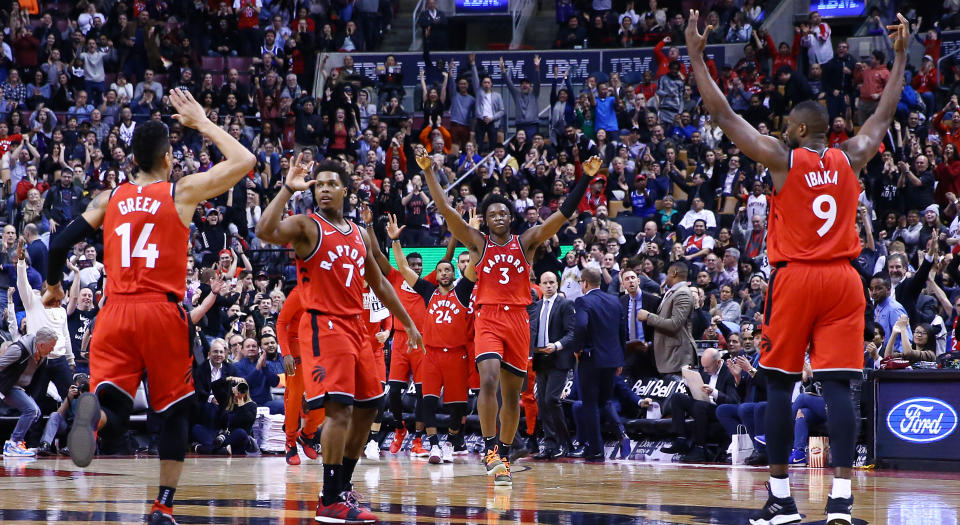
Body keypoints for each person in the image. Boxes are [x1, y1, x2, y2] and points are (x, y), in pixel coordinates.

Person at [685, 11, 909, 525]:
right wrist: (899, 57)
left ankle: (782, 499)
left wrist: (698, 58)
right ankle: (842, 503)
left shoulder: (784, 159)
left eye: (787, 125)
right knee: (838, 389)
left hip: (796, 278)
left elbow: (724, 116)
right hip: (845, 281)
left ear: (800, 129)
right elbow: (883, 115)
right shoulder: (851, 155)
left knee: (780, 386)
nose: (780, 129)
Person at [43, 89, 256, 525]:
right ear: (167, 158)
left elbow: (60, 243)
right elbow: (245, 161)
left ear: (132, 159)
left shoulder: (110, 198)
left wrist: (53, 289)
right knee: (174, 412)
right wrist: (202, 122)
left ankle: (94, 417)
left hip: (114, 312)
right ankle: (162, 506)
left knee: (115, 407)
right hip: (161, 313)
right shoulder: (180, 192)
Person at [255, 155, 423, 523]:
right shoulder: (306, 226)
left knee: (368, 406)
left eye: (332, 183)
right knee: (339, 409)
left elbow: (379, 282)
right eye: (320, 184)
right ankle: (329, 497)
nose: (325, 189)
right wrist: (286, 188)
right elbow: (264, 231)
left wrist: (408, 322)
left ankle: (340, 488)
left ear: (346, 190)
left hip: (357, 328)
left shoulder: (360, 234)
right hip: (324, 326)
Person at [418, 148, 596, 486]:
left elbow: (562, 214)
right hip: (488, 317)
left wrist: (585, 177)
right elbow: (445, 210)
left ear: (510, 218)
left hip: (518, 321)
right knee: (487, 379)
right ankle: (489, 449)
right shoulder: (476, 243)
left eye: (503, 212)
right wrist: (429, 173)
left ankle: (504, 449)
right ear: (485, 220)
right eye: (492, 213)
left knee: (512, 395)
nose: (498, 216)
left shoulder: (526, 241)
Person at [390, 220, 476, 464]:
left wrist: (469, 233)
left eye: (448, 270)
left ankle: (450, 442)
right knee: (427, 401)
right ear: (436, 275)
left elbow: (474, 263)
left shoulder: (463, 291)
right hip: (431, 355)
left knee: (457, 407)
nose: (444, 273)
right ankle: (434, 446)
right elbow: (405, 268)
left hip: (457, 355)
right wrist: (396, 241)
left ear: (453, 273)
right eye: (440, 270)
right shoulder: (428, 292)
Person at [570, 266, 625, 461]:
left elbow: (582, 325)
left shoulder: (583, 301)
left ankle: (596, 449)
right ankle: (621, 433)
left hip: (591, 359)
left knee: (590, 405)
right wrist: (620, 358)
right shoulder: (614, 300)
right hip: (612, 360)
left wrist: (577, 349)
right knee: (605, 401)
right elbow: (622, 331)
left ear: (584, 283)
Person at [661, 347, 740, 462]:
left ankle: (700, 448)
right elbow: (696, 394)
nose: (705, 370)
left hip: (719, 410)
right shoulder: (705, 370)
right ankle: (681, 440)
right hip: (703, 405)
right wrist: (688, 382)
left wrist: (714, 392)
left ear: (718, 362)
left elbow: (732, 401)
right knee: (677, 397)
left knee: (700, 406)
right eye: (703, 367)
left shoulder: (729, 372)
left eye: (707, 367)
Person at [529, 270, 576, 459]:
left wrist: (556, 345)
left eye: (552, 282)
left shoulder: (565, 304)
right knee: (542, 401)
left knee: (551, 400)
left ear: (557, 284)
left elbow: (572, 333)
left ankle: (565, 443)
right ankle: (550, 445)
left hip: (558, 359)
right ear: (539, 285)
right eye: (545, 283)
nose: (548, 286)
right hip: (540, 359)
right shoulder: (536, 306)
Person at [276, 286, 324, 465]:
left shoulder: (331, 292)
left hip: (320, 348)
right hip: (296, 346)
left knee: (328, 397)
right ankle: (290, 441)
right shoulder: (299, 293)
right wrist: (286, 353)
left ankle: (306, 435)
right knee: (294, 395)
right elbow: (281, 323)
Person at [0, 328, 58, 457]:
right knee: (31, 410)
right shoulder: (18, 350)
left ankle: (18, 442)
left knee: (35, 412)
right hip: (6, 386)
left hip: (18, 387)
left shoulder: (41, 355)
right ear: (42, 345)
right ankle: (13, 444)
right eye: (51, 346)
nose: (52, 350)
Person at [637, 262, 697, 377]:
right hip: (668, 358)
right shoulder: (673, 292)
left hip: (676, 358)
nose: (666, 277)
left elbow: (674, 324)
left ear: (674, 273)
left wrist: (648, 316)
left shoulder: (682, 293)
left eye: (668, 273)